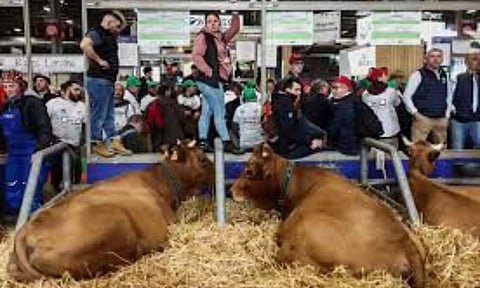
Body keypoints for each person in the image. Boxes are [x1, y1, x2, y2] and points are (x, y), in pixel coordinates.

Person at [0, 76, 56, 220]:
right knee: (11, 183)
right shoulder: (6, 105)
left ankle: (33, 218)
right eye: (5, 86)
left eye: (11, 86)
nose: (8, 90)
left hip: (30, 150)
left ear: (21, 86)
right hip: (12, 152)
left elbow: (44, 127)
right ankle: (14, 214)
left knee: (30, 185)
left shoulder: (32, 102)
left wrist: (39, 150)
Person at [80, 10, 131, 157]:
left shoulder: (107, 36)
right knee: (99, 114)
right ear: (109, 21)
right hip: (98, 80)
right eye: (117, 26)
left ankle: (113, 141)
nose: (118, 30)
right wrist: (99, 60)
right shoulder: (97, 32)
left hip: (107, 81)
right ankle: (95, 142)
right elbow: (84, 45)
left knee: (109, 115)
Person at [192, 10, 240, 152]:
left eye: (215, 21)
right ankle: (226, 142)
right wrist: (208, 70)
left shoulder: (222, 38)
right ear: (206, 24)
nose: (212, 24)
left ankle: (202, 142)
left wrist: (236, 12)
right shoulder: (203, 37)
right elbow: (196, 56)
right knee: (220, 111)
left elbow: (235, 29)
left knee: (207, 112)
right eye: (209, 21)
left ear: (219, 22)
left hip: (215, 80)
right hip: (209, 80)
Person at [402, 48, 451, 144]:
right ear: (426, 59)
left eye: (438, 56)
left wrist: (447, 116)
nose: (436, 59)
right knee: (419, 150)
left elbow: (449, 96)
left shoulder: (445, 75)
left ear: (442, 59)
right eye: (432, 56)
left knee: (440, 151)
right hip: (422, 119)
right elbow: (406, 97)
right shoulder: (418, 74)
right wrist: (416, 114)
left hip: (441, 119)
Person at [46, 80, 85, 193]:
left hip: (75, 145)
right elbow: (44, 122)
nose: (78, 92)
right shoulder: (53, 103)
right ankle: (56, 194)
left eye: (80, 90)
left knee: (75, 176)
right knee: (58, 175)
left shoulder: (82, 106)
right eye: (75, 90)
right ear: (64, 91)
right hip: (57, 144)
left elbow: (85, 125)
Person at [272, 77, 324, 159]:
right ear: (287, 89)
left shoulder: (278, 100)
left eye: (300, 90)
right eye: (296, 90)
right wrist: (309, 141)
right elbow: (288, 129)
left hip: (280, 146)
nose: (299, 93)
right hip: (287, 149)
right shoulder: (286, 105)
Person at [361, 67, 402, 147]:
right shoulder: (391, 91)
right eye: (384, 75)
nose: (387, 77)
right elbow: (398, 103)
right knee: (391, 154)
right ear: (379, 78)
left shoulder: (365, 94)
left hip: (372, 131)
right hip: (390, 130)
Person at [449, 49, 480, 149]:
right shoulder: (458, 78)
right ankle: (459, 165)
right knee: (458, 148)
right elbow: (449, 97)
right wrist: (454, 110)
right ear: (466, 62)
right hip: (459, 121)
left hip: (478, 120)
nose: (478, 61)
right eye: (474, 59)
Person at [328, 75, 360, 155]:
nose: (334, 91)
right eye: (333, 88)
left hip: (348, 147)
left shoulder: (347, 104)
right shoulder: (337, 102)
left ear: (347, 88)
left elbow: (337, 126)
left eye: (338, 88)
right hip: (346, 145)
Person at [232, 83, 263, 152]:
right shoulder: (261, 108)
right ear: (255, 97)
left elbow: (234, 127)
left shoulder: (239, 109)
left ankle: (238, 148)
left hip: (244, 143)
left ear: (243, 98)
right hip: (259, 143)